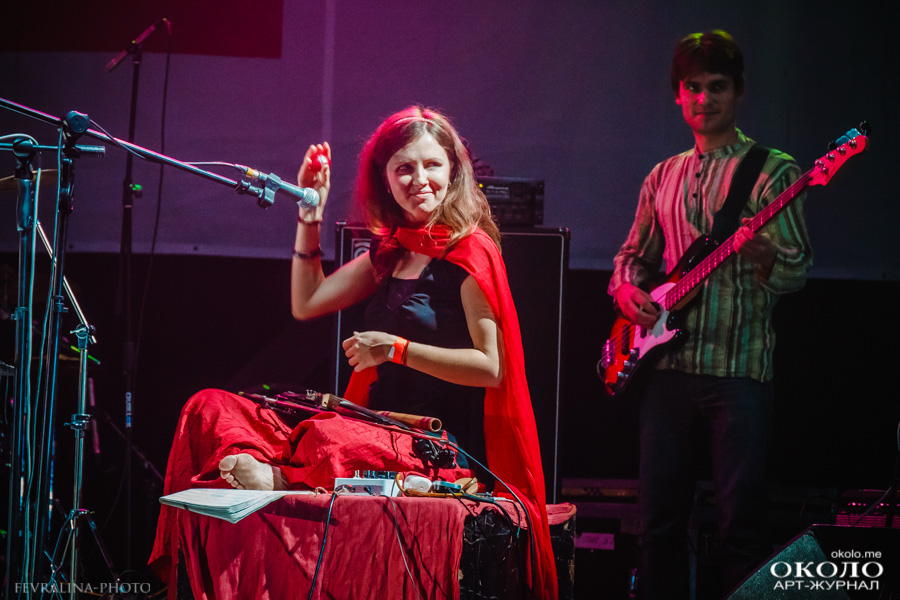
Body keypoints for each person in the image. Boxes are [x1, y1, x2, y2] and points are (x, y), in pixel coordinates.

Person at [150, 106, 558, 600]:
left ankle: (277, 475)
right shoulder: (392, 252)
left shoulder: (468, 252)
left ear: (453, 170)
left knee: (329, 437)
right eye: (404, 168)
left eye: (432, 164)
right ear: (385, 179)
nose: (420, 179)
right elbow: (307, 302)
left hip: (432, 445)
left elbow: (491, 369)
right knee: (211, 406)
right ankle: (262, 476)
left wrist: (397, 349)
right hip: (369, 426)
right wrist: (310, 216)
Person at [607, 31, 812, 598]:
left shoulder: (773, 172)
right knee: (658, 525)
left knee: (741, 527)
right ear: (678, 94)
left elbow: (798, 270)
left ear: (739, 91)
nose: (704, 99)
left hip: (738, 371)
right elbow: (632, 257)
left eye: (717, 87)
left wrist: (766, 254)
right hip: (665, 371)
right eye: (693, 87)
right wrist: (626, 293)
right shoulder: (662, 175)